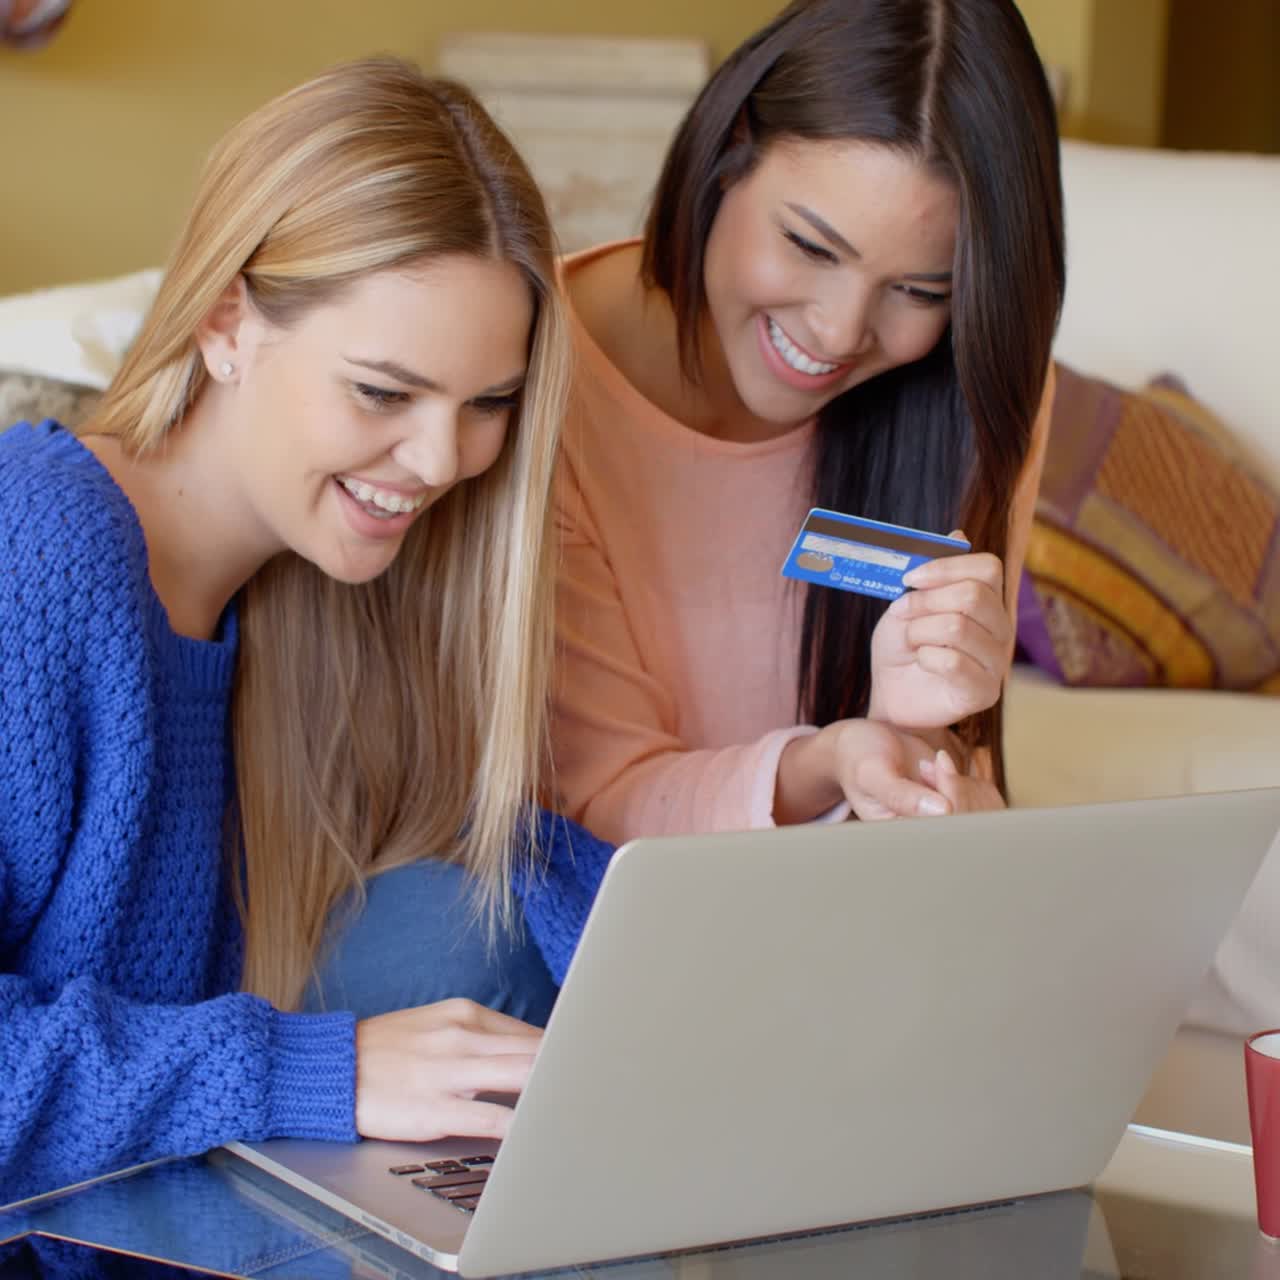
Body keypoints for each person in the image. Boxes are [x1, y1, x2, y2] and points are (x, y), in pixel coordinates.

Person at [0, 56, 583, 1205]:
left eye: (486, 404)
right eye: (381, 391)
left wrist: (798, 809)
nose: (438, 463)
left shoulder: (320, 583)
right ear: (226, 322)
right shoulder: (36, 554)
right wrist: (316, 1069)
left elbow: (485, 864)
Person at [550, 0, 1065, 846]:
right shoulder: (540, 382)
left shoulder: (970, 387)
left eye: (919, 291)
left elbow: (947, 766)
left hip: (845, 912)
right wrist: (827, 766)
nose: (835, 333)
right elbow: (595, 802)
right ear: (729, 154)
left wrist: (923, 764)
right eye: (811, 247)